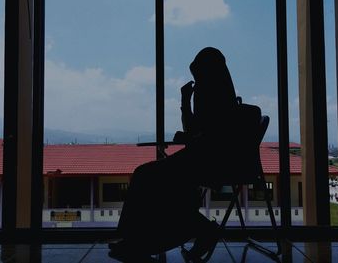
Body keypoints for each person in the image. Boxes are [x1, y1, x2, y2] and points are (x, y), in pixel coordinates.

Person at [108, 47, 260, 262]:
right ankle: (185, 231)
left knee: (145, 176)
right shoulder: (225, 97)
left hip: (206, 162)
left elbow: (198, 132)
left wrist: (186, 105)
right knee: (160, 181)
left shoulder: (209, 94)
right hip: (211, 161)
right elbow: (202, 132)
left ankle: (135, 239)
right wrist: (187, 105)